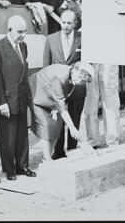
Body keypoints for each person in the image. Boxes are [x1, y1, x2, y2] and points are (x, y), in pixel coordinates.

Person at [0, 15, 36, 181]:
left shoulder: (23, 46)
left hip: (21, 98)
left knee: (22, 135)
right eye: (20, 31)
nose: (23, 35)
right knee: (8, 137)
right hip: (7, 100)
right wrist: (2, 103)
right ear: (9, 30)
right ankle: (9, 169)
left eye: (25, 31)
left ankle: (23, 165)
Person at [28, 62, 95, 161]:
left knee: (57, 125)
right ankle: (47, 160)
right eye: (81, 75)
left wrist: (56, 107)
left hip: (51, 97)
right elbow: (62, 107)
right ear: (75, 69)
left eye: (83, 80)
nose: (80, 81)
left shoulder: (73, 78)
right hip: (36, 93)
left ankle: (46, 157)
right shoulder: (60, 76)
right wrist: (72, 128)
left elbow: (62, 97)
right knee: (45, 125)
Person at [43, 9, 84, 160]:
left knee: (74, 118)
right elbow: (45, 66)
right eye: (63, 22)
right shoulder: (50, 39)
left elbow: (87, 63)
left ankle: (73, 151)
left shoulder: (82, 38)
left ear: (75, 23)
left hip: (77, 87)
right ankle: (58, 151)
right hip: (57, 87)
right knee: (58, 120)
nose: (66, 26)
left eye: (69, 23)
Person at [84, 64, 121, 149]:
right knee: (90, 95)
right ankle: (92, 139)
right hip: (89, 54)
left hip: (107, 53)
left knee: (110, 93)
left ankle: (112, 139)